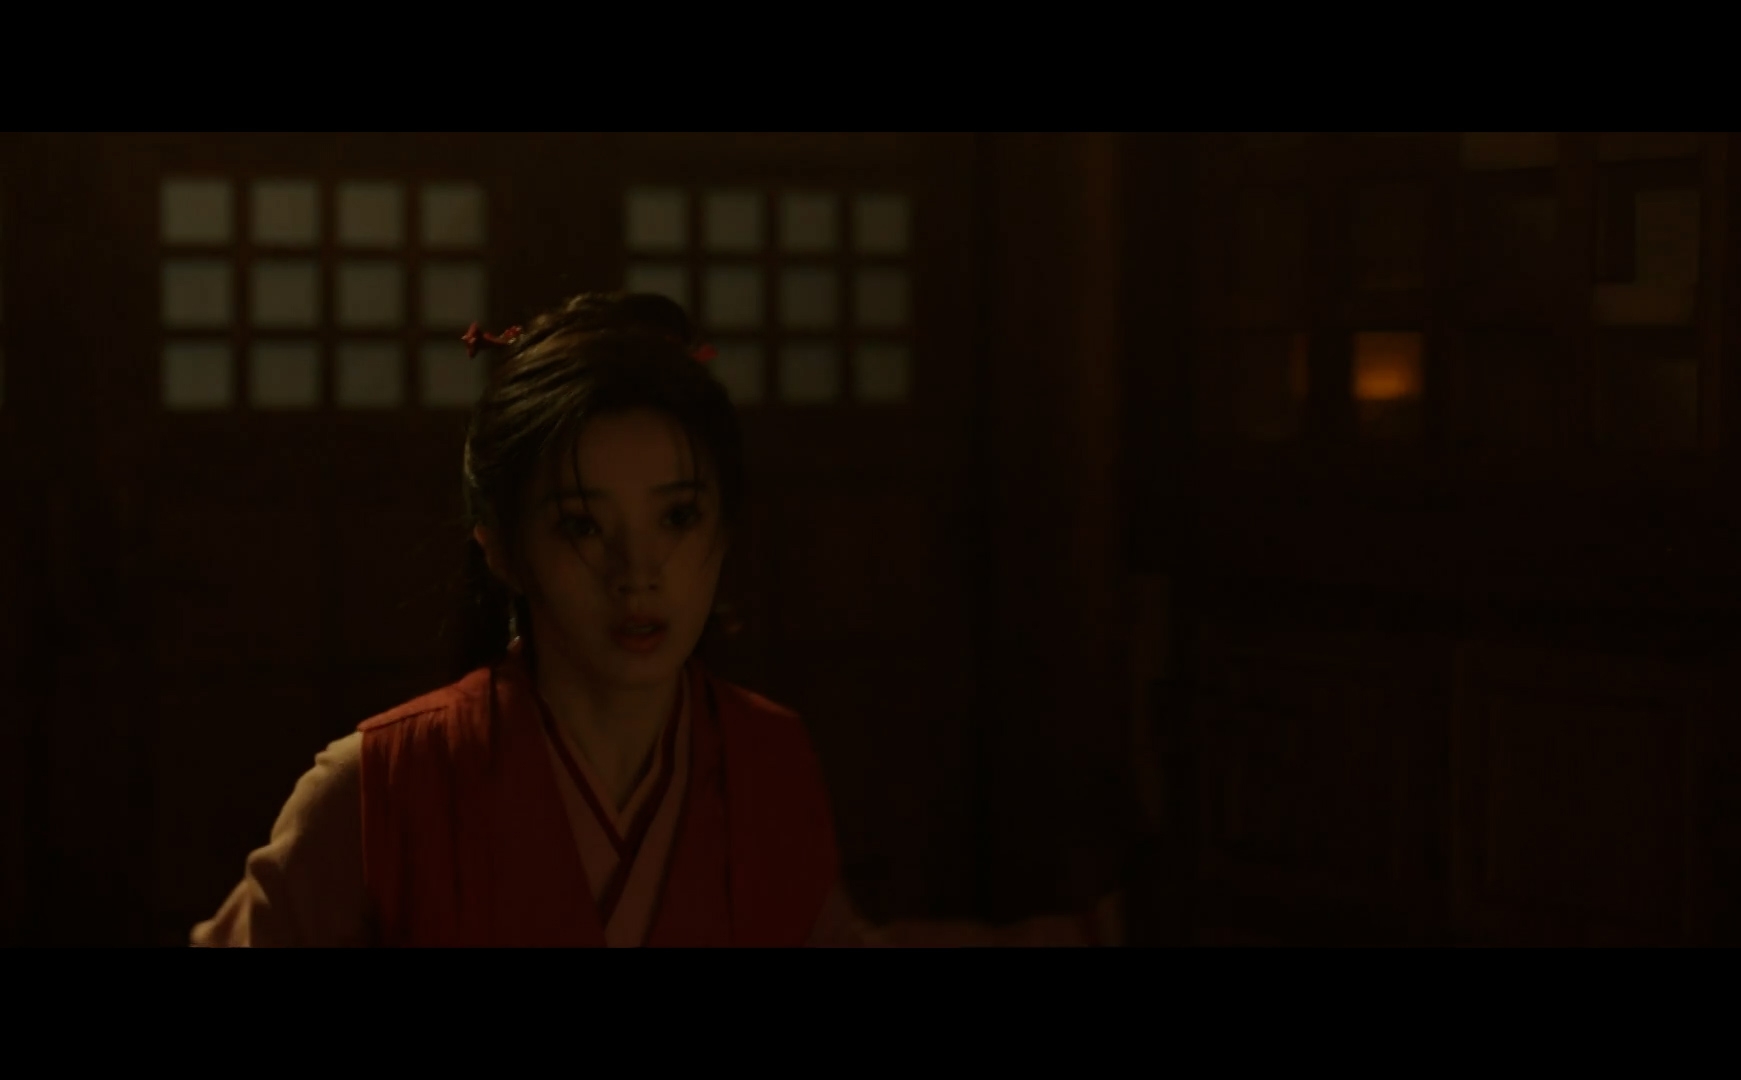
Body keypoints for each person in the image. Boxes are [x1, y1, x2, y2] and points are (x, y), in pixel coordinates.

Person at [191, 292, 1116, 947]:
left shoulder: (768, 760)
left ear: (724, 530)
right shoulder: (379, 786)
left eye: (677, 517)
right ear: (501, 548)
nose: (639, 573)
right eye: (582, 525)